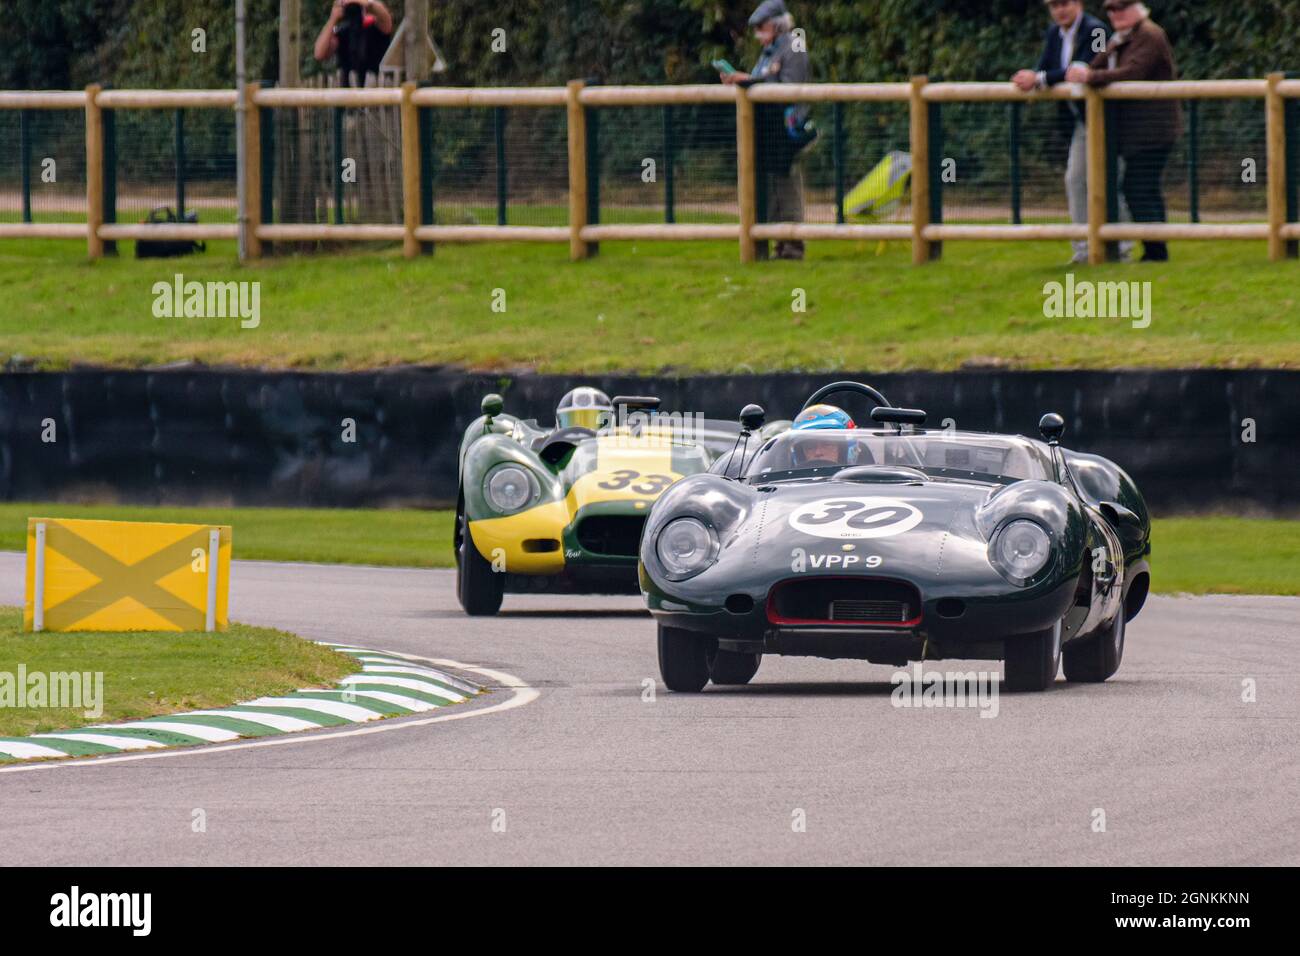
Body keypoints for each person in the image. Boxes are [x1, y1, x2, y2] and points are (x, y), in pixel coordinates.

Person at [1012, 0, 1133, 264]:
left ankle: (1122, 248)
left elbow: (1087, 67)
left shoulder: (1097, 29)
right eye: (1054, 6)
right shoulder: (1054, 33)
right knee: (1075, 180)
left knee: (1111, 181)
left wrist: (1040, 79)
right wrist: (1030, 76)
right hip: (1081, 120)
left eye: (1064, 3)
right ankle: (1083, 250)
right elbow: (1045, 67)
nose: (1059, 10)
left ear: (1078, 4)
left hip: (1109, 118)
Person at [1068, 1, 1181, 262]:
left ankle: (1155, 251)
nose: (1116, 14)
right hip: (1137, 132)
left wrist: (1089, 78)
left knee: (1138, 187)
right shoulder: (1122, 37)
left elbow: (1134, 72)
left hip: (1153, 130)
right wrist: (1083, 70)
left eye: (1122, 8)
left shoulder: (1149, 35)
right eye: (1111, 10)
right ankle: (1155, 251)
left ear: (1138, 8)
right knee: (1143, 187)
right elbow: (1101, 64)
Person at [720, 1, 811, 261]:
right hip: (766, 130)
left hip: (787, 128)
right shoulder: (769, 51)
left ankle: (793, 247)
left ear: (776, 24)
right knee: (770, 187)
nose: (758, 34)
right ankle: (775, 243)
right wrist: (741, 79)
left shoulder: (794, 46)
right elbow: (762, 80)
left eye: (761, 27)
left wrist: (748, 80)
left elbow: (788, 87)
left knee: (787, 186)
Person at [313, 0, 395, 84]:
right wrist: (333, 19)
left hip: (376, 88)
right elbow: (319, 54)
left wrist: (366, 3)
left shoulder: (376, 28)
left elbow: (385, 18)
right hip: (348, 89)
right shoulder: (342, 32)